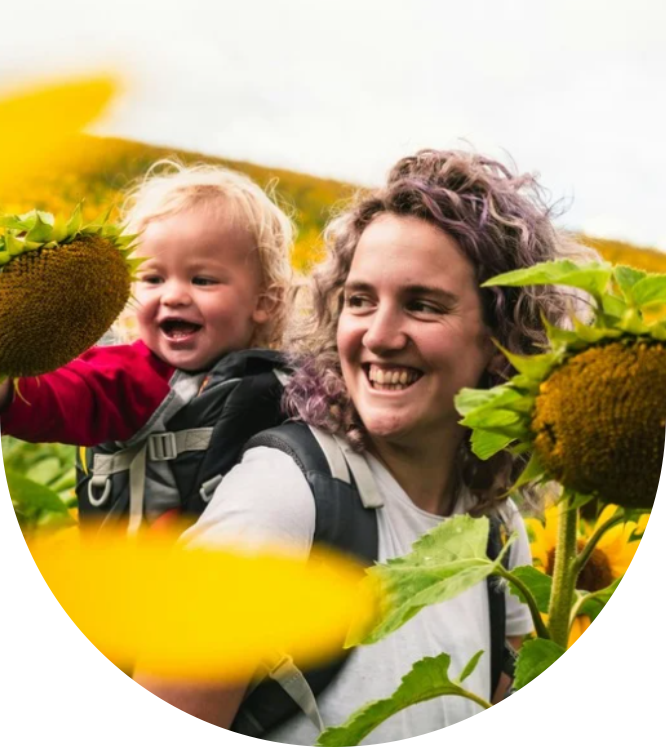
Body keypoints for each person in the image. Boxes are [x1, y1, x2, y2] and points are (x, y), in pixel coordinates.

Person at [134, 149, 597, 743]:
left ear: (499, 336)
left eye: (422, 305)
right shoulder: (285, 497)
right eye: (360, 300)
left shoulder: (497, 530)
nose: (378, 335)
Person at [0, 160, 295, 527]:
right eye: (153, 279)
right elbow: (69, 392)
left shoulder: (288, 383)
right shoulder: (137, 376)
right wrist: (9, 389)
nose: (173, 296)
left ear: (265, 302)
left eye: (202, 280)